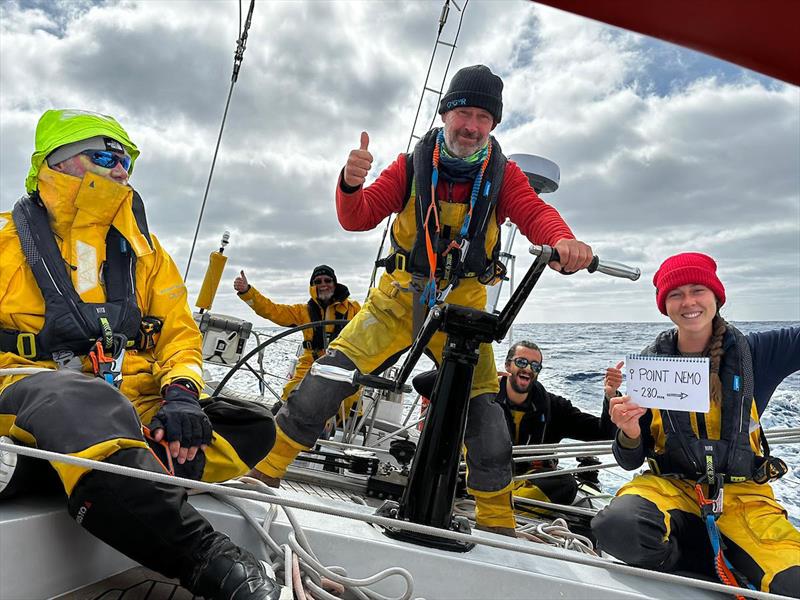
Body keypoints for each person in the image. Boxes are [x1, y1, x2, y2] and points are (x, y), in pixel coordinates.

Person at [256, 64, 594, 536]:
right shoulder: (411, 165)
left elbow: (538, 214)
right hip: (396, 300)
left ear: (493, 125)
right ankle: (261, 473)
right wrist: (350, 183)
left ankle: (498, 525)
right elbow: (357, 218)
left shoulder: (505, 175)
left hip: (464, 308)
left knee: (484, 415)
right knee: (328, 376)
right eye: (463, 113)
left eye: (483, 117)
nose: (472, 127)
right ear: (445, 112)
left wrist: (564, 241)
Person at [0, 109, 280, 599]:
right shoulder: (5, 243)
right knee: (79, 400)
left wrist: (181, 395)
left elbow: (179, 334)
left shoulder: (146, 254)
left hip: (128, 404)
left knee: (253, 425)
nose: (121, 168)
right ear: (59, 164)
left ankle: (85, 472)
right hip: (30, 388)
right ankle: (206, 559)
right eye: (105, 155)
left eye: (126, 158)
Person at [591, 252, 800, 596]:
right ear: (665, 305)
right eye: (676, 294)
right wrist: (628, 431)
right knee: (617, 527)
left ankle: (731, 553)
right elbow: (630, 459)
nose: (688, 302)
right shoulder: (650, 366)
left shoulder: (755, 353)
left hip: (743, 497)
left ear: (716, 296)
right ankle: (714, 557)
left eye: (697, 290)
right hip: (670, 488)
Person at [497, 341, 618, 506]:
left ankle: (500, 503)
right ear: (507, 365)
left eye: (535, 366)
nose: (528, 369)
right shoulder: (482, 399)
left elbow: (603, 433)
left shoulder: (554, 407)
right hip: (486, 474)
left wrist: (611, 397)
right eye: (521, 362)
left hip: (530, 481)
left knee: (564, 484)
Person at [233, 265, 361, 411]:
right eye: (318, 281)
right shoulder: (303, 311)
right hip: (311, 364)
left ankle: (346, 426)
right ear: (313, 286)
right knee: (291, 394)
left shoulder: (354, 309)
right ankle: (279, 423)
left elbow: (372, 326)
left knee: (349, 401)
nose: (323, 284)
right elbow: (273, 311)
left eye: (328, 280)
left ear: (334, 283)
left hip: (344, 365)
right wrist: (247, 292)